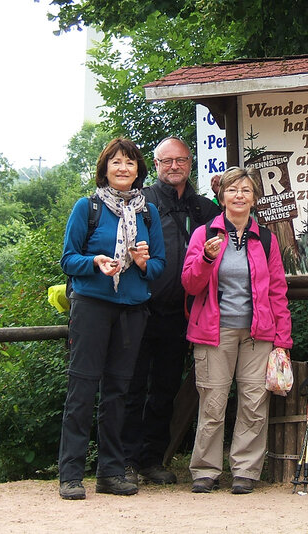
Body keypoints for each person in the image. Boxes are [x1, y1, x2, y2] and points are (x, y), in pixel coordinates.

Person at [58, 138, 166, 500]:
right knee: (82, 389)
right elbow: (68, 259)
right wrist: (95, 262)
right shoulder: (87, 207)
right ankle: (71, 475)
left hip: (132, 309)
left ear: (139, 172)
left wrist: (143, 263)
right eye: (116, 162)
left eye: (130, 163)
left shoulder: (148, 213)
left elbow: (159, 267)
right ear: (105, 169)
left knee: (119, 392)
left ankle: (110, 472)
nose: (123, 168)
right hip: (92, 306)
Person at [181, 166, 293, 495]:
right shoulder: (204, 234)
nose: (239, 196)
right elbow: (189, 284)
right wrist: (205, 258)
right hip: (214, 331)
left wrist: (282, 340)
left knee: (253, 403)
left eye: (246, 190)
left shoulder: (266, 239)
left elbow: (278, 292)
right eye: (232, 190)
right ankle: (205, 470)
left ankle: (245, 470)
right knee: (213, 403)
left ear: (255, 198)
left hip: (258, 333)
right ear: (222, 197)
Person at [121, 137, 220, 487]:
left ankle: (152, 459)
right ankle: (125, 461)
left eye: (180, 160)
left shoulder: (204, 209)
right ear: (156, 164)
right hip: (139, 308)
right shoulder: (139, 202)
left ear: (190, 163)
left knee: (164, 388)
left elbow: (234, 232)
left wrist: (223, 195)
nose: (174, 166)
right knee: (131, 387)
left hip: (181, 314)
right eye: (167, 161)